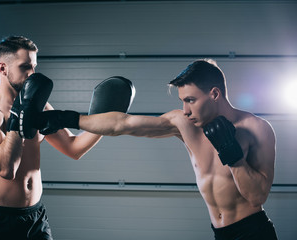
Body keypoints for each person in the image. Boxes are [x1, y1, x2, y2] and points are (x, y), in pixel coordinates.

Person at [40, 59, 278, 240]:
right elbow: (122, 123)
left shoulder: (257, 129)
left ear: (214, 94)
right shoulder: (184, 124)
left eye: (191, 100)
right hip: (219, 233)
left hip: (254, 231)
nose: (184, 110)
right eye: (182, 101)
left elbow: (257, 196)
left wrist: (232, 154)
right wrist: (65, 118)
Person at [0, 36, 103, 240]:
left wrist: (105, 121)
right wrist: (19, 116)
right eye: (25, 67)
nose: (32, 74)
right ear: (3, 68)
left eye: (34, 67)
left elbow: (73, 148)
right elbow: (6, 169)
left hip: (35, 217)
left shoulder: (41, 106)